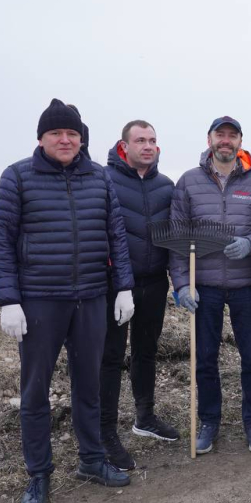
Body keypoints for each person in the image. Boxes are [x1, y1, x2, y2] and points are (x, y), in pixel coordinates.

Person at [0, 99, 135, 503]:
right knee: (35, 390)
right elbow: (1, 240)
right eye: (56, 133)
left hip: (90, 297)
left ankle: (91, 459)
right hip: (40, 300)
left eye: (72, 133)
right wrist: (9, 300)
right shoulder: (18, 177)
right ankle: (39, 473)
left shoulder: (99, 177)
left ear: (81, 138)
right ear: (42, 138)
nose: (66, 140)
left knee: (89, 385)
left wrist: (123, 287)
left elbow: (116, 235)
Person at [169, 116, 251, 455]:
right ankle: (209, 421)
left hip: (246, 285)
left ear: (240, 141)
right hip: (206, 285)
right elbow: (178, 238)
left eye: (232, 135)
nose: (225, 141)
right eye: (220, 135)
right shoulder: (188, 182)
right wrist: (182, 285)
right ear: (210, 139)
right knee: (205, 359)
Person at [98, 120, 178, 472]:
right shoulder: (105, 180)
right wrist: (117, 283)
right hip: (114, 287)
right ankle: (105, 432)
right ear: (124, 146)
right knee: (111, 356)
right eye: (140, 140)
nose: (148, 146)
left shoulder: (166, 186)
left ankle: (145, 417)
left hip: (154, 282)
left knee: (146, 351)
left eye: (152, 140)